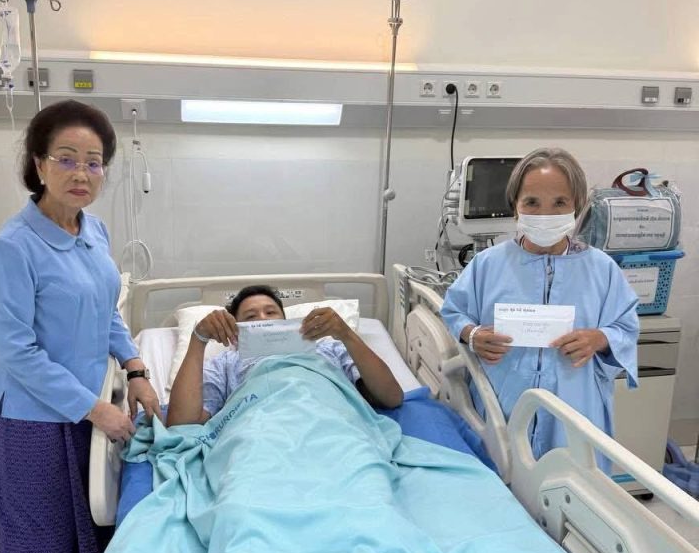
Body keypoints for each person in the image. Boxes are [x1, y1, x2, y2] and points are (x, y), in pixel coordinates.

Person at [0, 100, 159, 553]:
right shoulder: (15, 246)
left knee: (80, 517)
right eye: (66, 159)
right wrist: (95, 410)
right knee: (42, 528)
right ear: (38, 164)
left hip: (86, 403)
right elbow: (18, 351)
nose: (82, 173)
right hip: (31, 415)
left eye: (94, 161)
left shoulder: (92, 230)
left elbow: (106, 311)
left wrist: (135, 367)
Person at [441, 147, 639, 463]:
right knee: (502, 476)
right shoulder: (487, 265)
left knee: (568, 482)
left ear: (577, 206)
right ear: (515, 207)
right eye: (532, 202)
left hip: (574, 409)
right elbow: (453, 310)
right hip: (502, 405)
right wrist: (472, 334)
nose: (545, 214)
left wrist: (599, 338)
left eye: (559, 203)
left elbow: (626, 328)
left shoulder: (601, 270)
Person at [167, 284, 403, 426]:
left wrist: (346, 335)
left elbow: (392, 397)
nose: (263, 319)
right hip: (257, 430)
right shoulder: (225, 362)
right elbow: (181, 424)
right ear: (235, 328)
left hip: (332, 423)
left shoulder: (328, 348)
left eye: (271, 312)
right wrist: (198, 339)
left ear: (286, 320)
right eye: (250, 317)